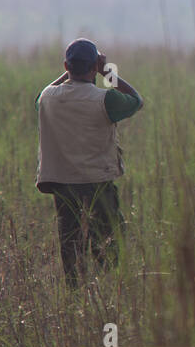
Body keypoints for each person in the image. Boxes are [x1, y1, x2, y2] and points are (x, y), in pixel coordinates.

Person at [35, 38, 144, 288]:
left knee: (71, 249)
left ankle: (76, 297)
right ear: (95, 66)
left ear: (66, 65)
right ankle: (108, 294)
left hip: (62, 187)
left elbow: (41, 94)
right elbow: (136, 100)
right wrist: (108, 73)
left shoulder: (49, 98)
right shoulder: (105, 99)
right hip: (97, 185)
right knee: (110, 249)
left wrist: (67, 75)